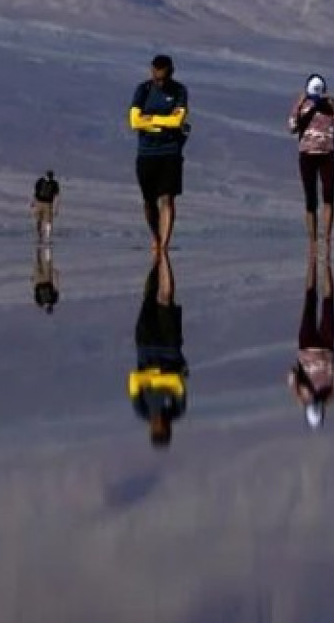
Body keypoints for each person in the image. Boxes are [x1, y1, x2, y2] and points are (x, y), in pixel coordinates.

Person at [129, 55, 190, 254]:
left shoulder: (179, 91)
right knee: (149, 200)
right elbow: (134, 121)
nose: (160, 82)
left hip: (170, 151)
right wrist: (163, 121)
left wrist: (151, 120)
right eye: (157, 78)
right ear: (152, 72)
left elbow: (177, 121)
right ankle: (155, 237)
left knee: (167, 198)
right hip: (147, 152)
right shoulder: (143, 90)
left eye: (164, 78)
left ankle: (164, 245)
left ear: (171, 72)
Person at [129, 250, 188, 448]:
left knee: (149, 297)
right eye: (163, 428)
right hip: (170, 346)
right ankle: (164, 255)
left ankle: (157, 258)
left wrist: (159, 376)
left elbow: (134, 380)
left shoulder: (142, 410)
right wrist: (156, 378)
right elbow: (178, 382)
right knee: (166, 297)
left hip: (146, 345)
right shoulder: (177, 410)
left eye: (157, 428)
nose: (159, 423)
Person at [288, 73, 334, 247]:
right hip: (307, 155)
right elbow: (292, 127)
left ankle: (327, 237)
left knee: (329, 195)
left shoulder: (330, 107)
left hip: (327, 154)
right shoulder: (303, 107)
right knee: (311, 199)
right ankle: (313, 240)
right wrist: (300, 104)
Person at [288, 252, 334, 429]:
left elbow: (291, 372)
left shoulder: (301, 394)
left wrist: (298, 391)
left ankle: (313, 259)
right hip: (326, 348)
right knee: (327, 301)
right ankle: (325, 261)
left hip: (307, 347)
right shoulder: (329, 395)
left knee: (311, 299)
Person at [31, 170, 61, 243]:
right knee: (39, 220)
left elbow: (56, 196)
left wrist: (56, 207)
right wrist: (33, 202)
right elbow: (35, 192)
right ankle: (40, 236)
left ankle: (47, 236)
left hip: (47, 203)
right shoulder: (41, 181)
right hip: (40, 202)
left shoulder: (54, 183)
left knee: (48, 221)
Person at [31, 244, 60, 315]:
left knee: (47, 261)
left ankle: (47, 248)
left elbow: (56, 287)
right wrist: (33, 280)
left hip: (46, 279)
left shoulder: (53, 300)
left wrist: (56, 276)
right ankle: (39, 248)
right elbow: (35, 290)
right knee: (38, 262)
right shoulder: (40, 303)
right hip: (39, 280)